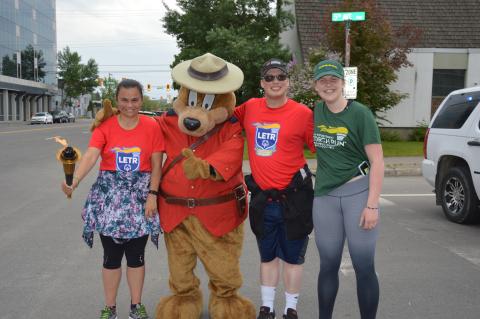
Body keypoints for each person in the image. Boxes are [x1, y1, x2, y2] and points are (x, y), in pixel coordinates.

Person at [61, 79, 164, 319]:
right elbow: (90, 156)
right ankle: (110, 307)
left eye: (135, 100)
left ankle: (136, 306)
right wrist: (73, 181)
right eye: (125, 100)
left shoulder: (152, 126)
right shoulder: (106, 126)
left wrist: (153, 195)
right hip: (110, 200)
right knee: (111, 258)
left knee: (137, 257)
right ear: (117, 100)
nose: (130, 105)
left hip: (141, 199)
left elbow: (157, 165)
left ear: (141, 100)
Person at [234, 58, 315, 319]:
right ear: (262, 83)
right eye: (269, 77)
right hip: (263, 200)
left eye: (281, 76)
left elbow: (323, 148)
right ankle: (266, 307)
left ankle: (290, 309)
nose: (275, 82)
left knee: (293, 258)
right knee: (267, 257)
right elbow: (218, 118)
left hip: (295, 199)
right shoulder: (249, 108)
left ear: (288, 81)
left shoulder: (303, 114)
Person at [311, 59, 384, 319]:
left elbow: (377, 161)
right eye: (322, 80)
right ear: (315, 85)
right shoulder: (315, 112)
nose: (328, 84)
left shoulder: (360, 113)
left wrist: (372, 205)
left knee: (364, 266)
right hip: (325, 198)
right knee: (328, 265)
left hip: (358, 195)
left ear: (343, 83)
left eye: (333, 79)